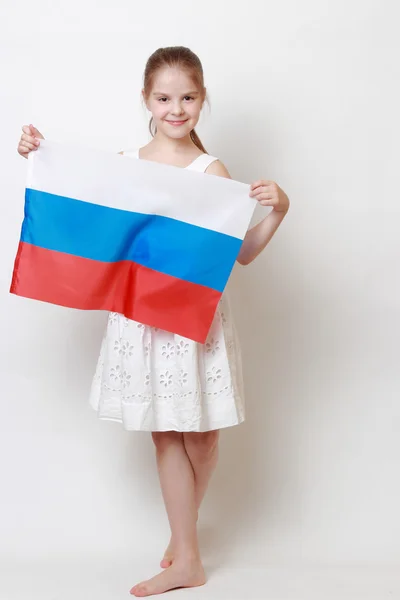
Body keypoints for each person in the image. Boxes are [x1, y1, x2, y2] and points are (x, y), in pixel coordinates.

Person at [17, 45, 290, 597]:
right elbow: (84, 215)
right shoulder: (125, 165)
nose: (176, 107)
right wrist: (39, 153)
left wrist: (278, 210)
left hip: (197, 322)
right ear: (146, 99)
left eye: (187, 97)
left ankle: (181, 535)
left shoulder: (211, 170)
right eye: (164, 97)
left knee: (204, 438)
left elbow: (240, 255)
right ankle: (187, 556)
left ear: (202, 100)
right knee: (167, 433)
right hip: (145, 321)